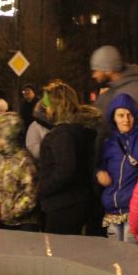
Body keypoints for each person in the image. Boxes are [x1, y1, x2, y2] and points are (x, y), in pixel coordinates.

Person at [38, 80, 100, 234]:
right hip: (76, 200)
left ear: (57, 106)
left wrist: (42, 188)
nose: (45, 108)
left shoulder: (63, 134)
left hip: (63, 204)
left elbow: (65, 170)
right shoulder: (78, 130)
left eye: (47, 104)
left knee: (58, 246)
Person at [96, 94, 138, 242]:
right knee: (114, 252)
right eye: (121, 115)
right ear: (113, 118)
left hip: (134, 209)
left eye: (129, 115)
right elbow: (101, 165)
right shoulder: (109, 142)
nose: (126, 120)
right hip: (112, 209)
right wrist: (100, 173)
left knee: (131, 252)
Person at [89, 45, 138, 137]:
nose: (94, 75)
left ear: (107, 70)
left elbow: (101, 134)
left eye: (96, 70)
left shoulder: (115, 97)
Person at [0, 112, 41, 230]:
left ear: (8, 138)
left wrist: (13, 212)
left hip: (24, 223)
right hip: (6, 220)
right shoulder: (4, 158)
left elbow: (31, 194)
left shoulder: (23, 161)